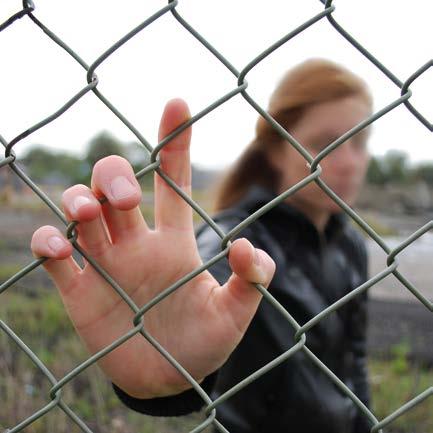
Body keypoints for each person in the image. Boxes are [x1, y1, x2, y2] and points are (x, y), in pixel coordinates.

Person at [30, 58, 373, 433]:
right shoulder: (238, 239)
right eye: (327, 143)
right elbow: (204, 284)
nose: (349, 162)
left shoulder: (351, 246)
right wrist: (169, 362)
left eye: (359, 141)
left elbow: (354, 363)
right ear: (276, 148)